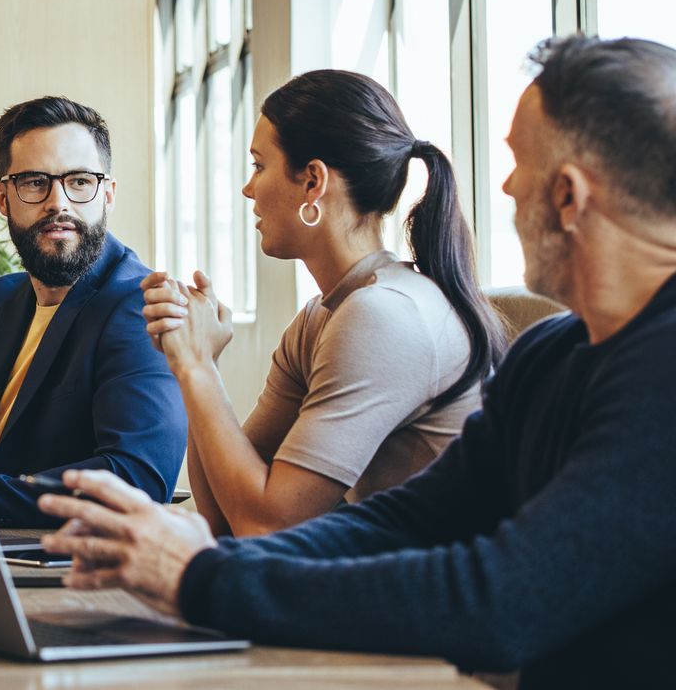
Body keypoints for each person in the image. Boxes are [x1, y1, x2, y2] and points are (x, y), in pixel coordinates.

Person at [38, 35, 676, 687]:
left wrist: (203, 576)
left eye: (518, 163)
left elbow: (501, 597)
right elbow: (405, 519)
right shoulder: (554, 351)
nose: (506, 185)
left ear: (569, 196)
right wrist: (201, 561)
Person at [141, 71, 503, 536]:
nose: (248, 189)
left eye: (258, 166)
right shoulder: (322, 316)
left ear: (313, 182)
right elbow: (222, 519)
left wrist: (197, 367)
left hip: (445, 594)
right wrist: (192, 364)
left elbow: (264, 526)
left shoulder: (383, 316)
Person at [0, 96, 186, 526]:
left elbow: (137, 479)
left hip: (60, 570)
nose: (58, 202)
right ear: (3, 198)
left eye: (80, 181)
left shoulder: (139, 306)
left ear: (108, 195)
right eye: (33, 181)